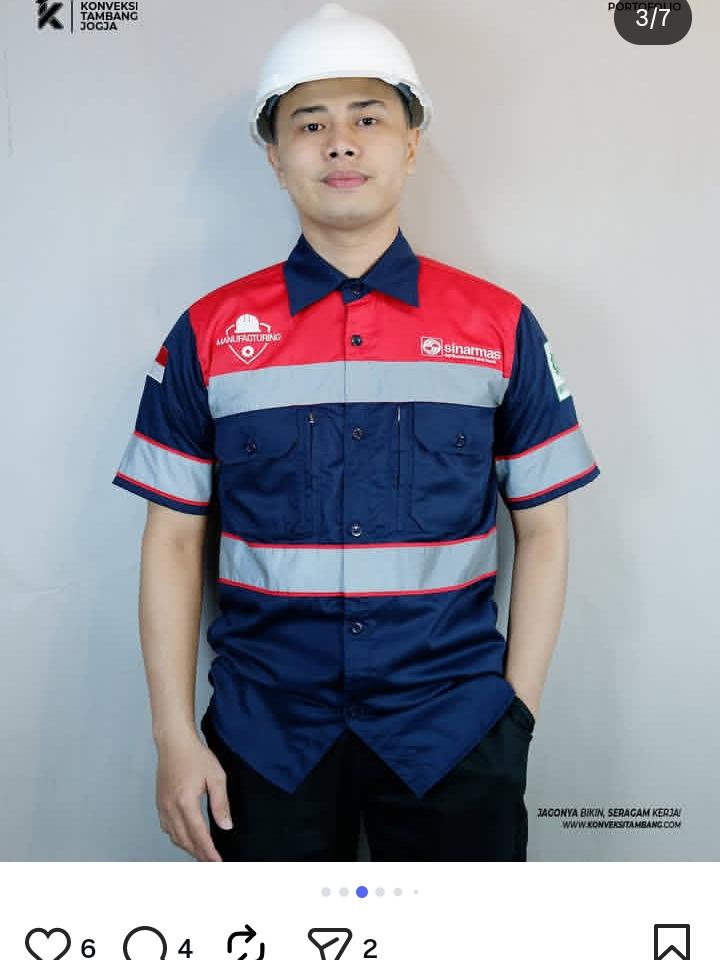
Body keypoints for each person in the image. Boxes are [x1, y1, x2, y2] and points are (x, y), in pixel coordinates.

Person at [112, 2, 600, 862]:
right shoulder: (208, 334)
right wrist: (172, 735)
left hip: (455, 731)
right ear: (275, 156)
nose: (340, 144)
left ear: (410, 143)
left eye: (368, 118)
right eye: (310, 124)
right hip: (264, 738)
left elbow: (546, 531)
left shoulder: (500, 326)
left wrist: (514, 717)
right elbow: (173, 542)